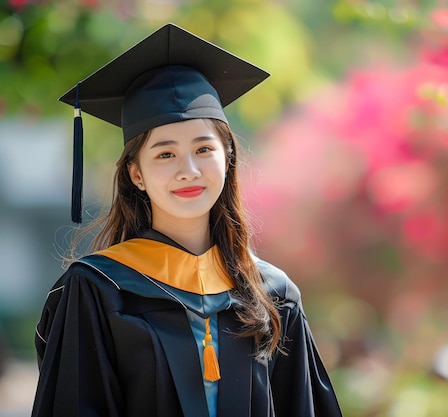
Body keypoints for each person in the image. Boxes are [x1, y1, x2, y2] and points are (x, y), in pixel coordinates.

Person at [31, 23, 343, 417]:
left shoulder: (273, 294)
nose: (189, 170)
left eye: (203, 148)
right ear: (136, 173)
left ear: (227, 159)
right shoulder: (97, 289)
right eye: (165, 154)